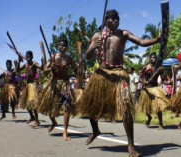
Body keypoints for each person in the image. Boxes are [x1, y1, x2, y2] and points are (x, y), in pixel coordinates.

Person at [79, 9, 160, 157]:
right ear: (106, 21)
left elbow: (141, 42)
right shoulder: (98, 36)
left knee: (126, 110)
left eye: (118, 19)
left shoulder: (124, 34)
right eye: (113, 19)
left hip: (119, 76)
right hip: (101, 76)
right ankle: (95, 130)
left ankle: (131, 147)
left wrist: (157, 39)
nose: (116, 21)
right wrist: (93, 46)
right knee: (91, 106)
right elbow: (88, 56)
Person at [37, 39, 78, 141]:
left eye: (65, 46)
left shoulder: (69, 59)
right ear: (58, 46)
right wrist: (51, 67)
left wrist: (78, 68)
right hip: (54, 84)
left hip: (65, 84)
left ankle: (65, 131)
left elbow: (77, 71)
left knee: (67, 107)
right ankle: (54, 122)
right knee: (49, 108)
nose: (64, 48)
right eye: (62, 46)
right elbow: (45, 72)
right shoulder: (53, 57)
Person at [137, 52, 170, 130]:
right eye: (153, 57)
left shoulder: (159, 68)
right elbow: (139, 78)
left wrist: (169, 83)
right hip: (146, 89)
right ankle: (149, 117)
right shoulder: (145, 68)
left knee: (158, 107)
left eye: (155, 57)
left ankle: (161, 123)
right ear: (149, 58)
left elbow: (163, 80)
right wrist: (143, 82)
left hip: (155, 88)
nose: (154, 59)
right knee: (146, 108)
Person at [17, 51, 42, 127]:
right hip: (27, 85)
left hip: (32, 85)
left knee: (32, 103)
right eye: (27, 56)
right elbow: (17, 70)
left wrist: (42, 62)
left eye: (29, 56)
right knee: (26, 104)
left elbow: (41, 68)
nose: (28, 57)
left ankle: (37, 121)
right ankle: (32, 117)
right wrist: (19, 60)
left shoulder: (34, 63)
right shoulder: (25, 64)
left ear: (32, 57)